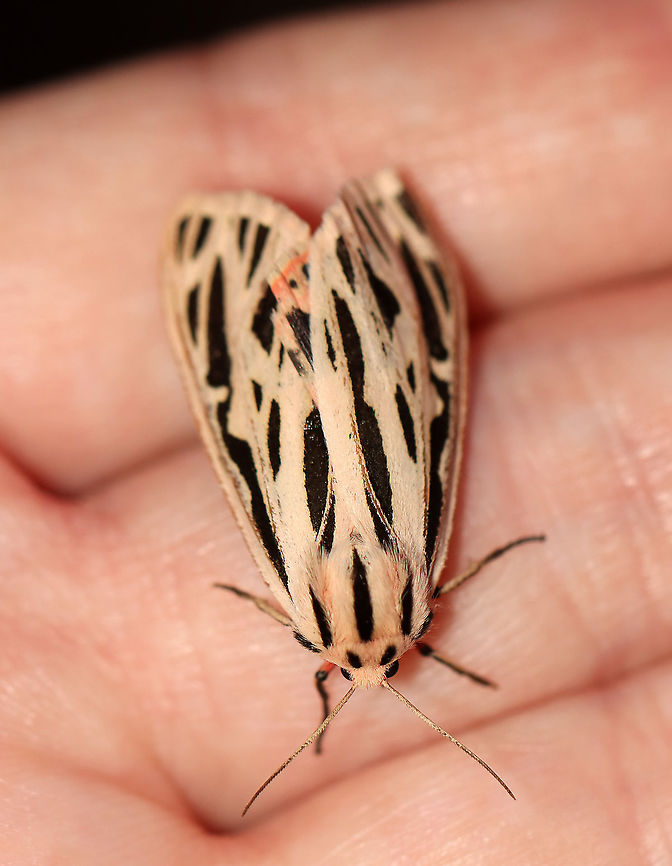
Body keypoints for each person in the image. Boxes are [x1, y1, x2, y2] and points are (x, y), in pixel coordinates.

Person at [1, 0, 670, 860]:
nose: (361, 672)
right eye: (385, 666)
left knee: (364, 408)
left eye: (352, 672)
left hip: (349, 392)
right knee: (309, 417)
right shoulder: (304, 597)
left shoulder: (419, 577)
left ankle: (330, 269)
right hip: (301, 390)